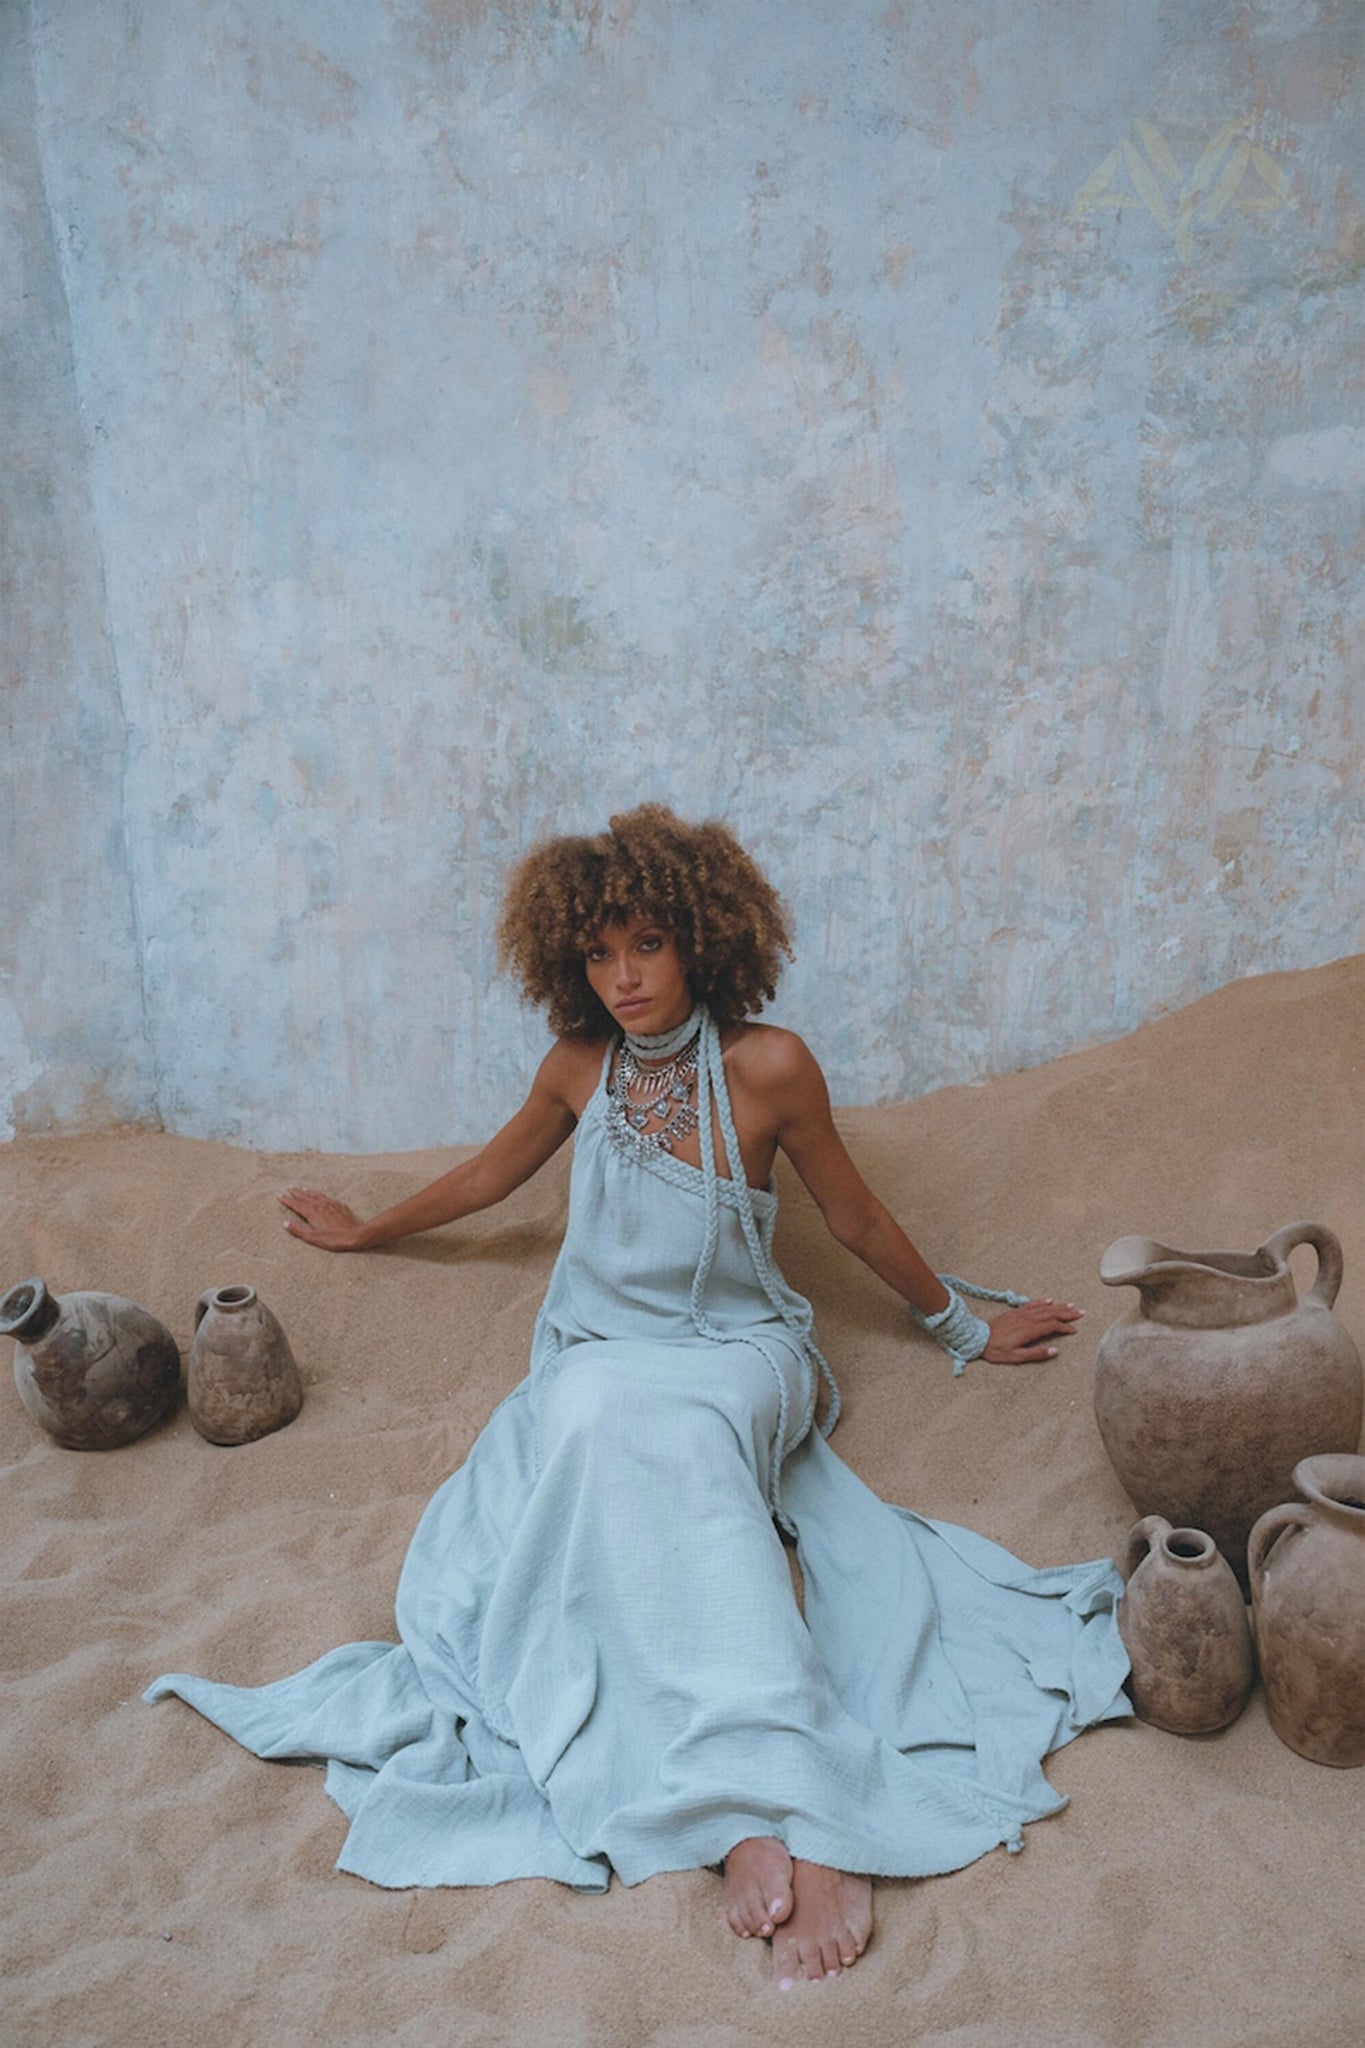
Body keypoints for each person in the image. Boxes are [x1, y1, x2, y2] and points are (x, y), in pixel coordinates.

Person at [147, 805, 1129, 1990]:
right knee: (597, 1421)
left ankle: (800, 1791)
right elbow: (489, 1173)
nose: (623, 977)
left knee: (671, 1431)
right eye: (601, 954)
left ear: (704, 943)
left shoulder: (769, 1065)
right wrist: (367, 1227)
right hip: (604, 1350)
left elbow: (854, 1216)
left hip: (738, 1351)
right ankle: (736, 1811)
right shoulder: (579, 1066)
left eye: (648, 946)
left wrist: (967, 1324)